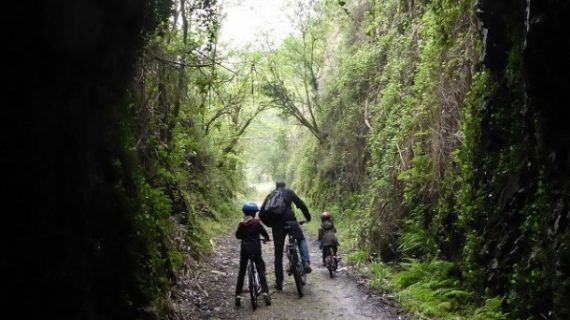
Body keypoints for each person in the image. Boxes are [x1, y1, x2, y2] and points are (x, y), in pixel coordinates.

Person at [260, 181, 312, 291]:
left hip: (277, 227)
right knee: (301, 239)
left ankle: (279, 283)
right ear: (284, 186)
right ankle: (306, 262)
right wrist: (308, 217)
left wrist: (271, 224)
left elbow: (261, 214)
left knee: (278, 255)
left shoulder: (270, 195)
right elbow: (301, 204)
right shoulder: (289, 192)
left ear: (276, 186)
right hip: (291, 222)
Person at [235, 202, 271, 307]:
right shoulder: (256, 223)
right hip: (256, 249)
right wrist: (266, 239)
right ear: (254, 214)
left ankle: (237, 295)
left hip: (245, 250)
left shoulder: (241, 224)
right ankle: (265, 292)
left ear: (245, 213)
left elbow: (238, 236)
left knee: (242, 271)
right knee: (260, 270)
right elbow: (265, 234)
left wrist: (243, 236)